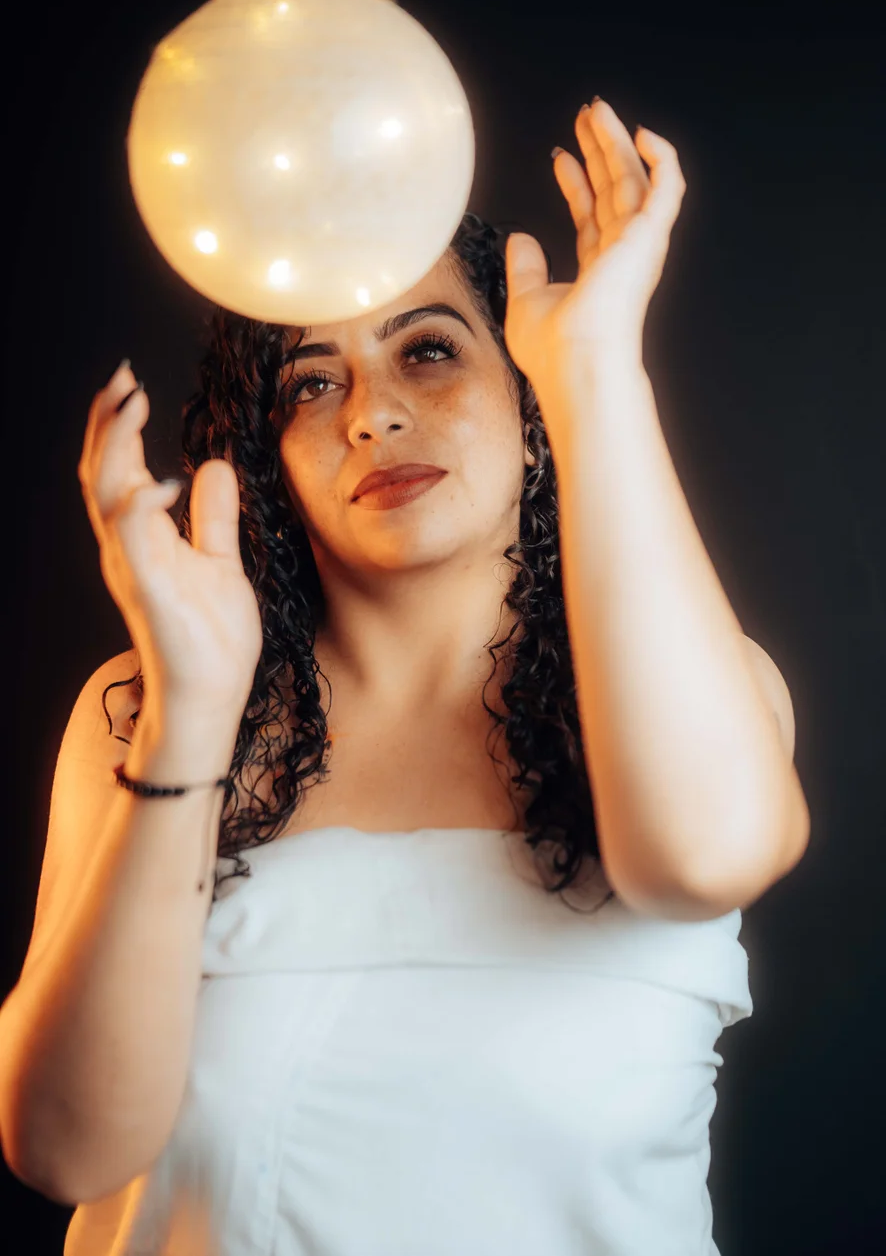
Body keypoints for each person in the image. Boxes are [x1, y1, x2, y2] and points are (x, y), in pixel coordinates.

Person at [0, 99, 807, 1254]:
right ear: (268, 458)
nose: (373, 414)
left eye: (427, 350)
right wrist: (193, 718)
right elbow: (63, 1148)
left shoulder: (693, 682)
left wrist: (592, 374)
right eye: (309, 384)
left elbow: (707, 857)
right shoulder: (139, 710)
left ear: (527, 402)